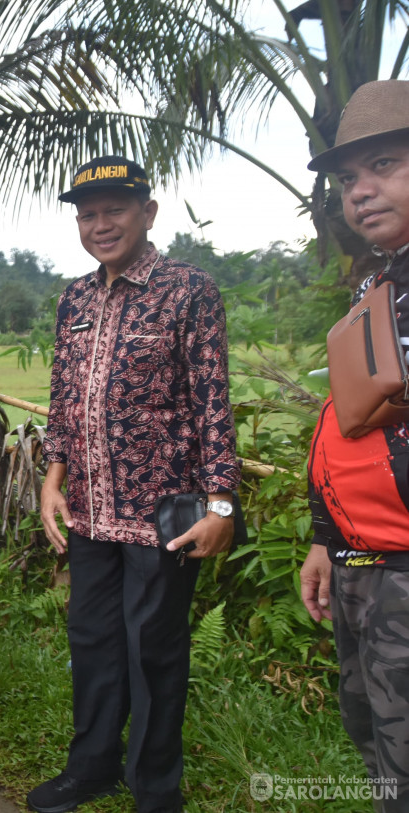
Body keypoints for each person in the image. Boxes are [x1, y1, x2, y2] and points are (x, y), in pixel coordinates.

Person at [30, 156, 239, 813]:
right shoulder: (75, 298)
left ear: (147, 213)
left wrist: (221, 503)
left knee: (154, 652)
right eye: (87, 214)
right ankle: (91, 764)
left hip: (163, 516)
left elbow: (213, 405)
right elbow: (64, 400)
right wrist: (51, 479)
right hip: (89, 512)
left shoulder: (188, 290)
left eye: (114, 210)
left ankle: (155, 786)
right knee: (92, 642)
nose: (100, 224)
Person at [301, 79, 409, 808]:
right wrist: (324, 538)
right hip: (363, 558)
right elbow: (348, 422)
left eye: (387, 166)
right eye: (348, 179)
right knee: (374, 728)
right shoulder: (379, 284)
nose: (361, 191)